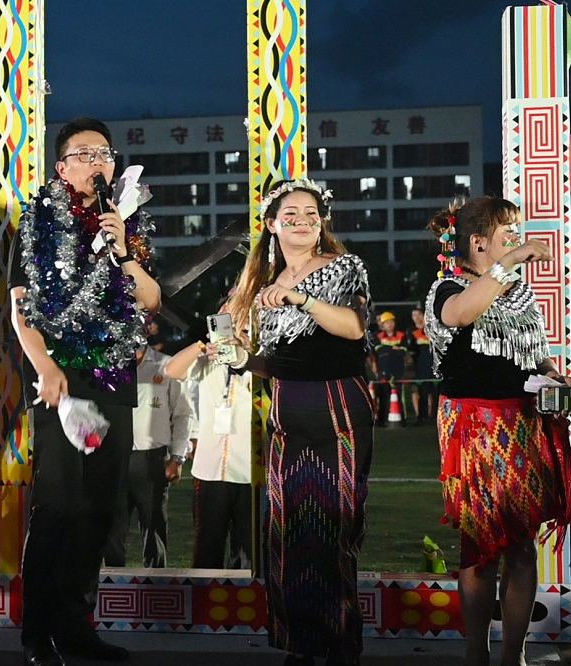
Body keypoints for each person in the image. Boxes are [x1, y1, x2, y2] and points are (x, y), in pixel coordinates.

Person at [9, 116, 160, 666]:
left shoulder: (128, 222)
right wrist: (45, 366)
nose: (97, 162)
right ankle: (37, 630)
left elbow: (151, 298)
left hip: (113, 378)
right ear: (61, 167)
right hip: (62, 381)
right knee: (57, 505)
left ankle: (76, 627)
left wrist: (122, 248)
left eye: (104, 154)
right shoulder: (37, 222)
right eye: (85, 154)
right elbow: (20, 305)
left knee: (100, 509)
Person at [424, 196, 571, 666]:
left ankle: (514, 653)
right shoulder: (446, 288)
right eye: (507, 232)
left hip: (523, 426)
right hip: (473, 428)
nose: (516, 239)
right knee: (479, 547)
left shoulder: (519, 291)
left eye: (515, 232)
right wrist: (511, 261)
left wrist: (551, 376)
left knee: (520, 546)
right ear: (478, 242)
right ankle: (477, 651)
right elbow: (460, 314)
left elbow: (533, 351)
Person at [233, 179, 373, 666]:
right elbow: (277, 362)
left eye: (311, 214)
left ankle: (340, 646)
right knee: (287, 530)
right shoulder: (264, 283)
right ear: (272, 224)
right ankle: (299, 643)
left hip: (338, 407)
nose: (302, 221)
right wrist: (240, 359)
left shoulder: (344, 267)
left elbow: (353, 327)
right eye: (290, 214)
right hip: (287, 410)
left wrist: (301, 299)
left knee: (336, 528)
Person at [166, 322, 254, 570]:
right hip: (210, 470)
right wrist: (202, 346)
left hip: (251, 472)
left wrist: (246, 354)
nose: (237, 336)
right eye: (233, 329)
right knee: (207, 545)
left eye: (245, 331)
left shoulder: (261, 365)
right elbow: (172, 370)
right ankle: (204, 594)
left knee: (252, 549)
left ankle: (255, 594)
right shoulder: (208, 362)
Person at [104, 343, 194, 568]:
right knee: (111, 528)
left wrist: (177, 457)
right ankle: (111, 583)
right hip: (114, 457)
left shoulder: (167, 365)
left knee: (154, 526)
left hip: (152, 459)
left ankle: (156, 582)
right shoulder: (107, 364)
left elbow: (183, 414)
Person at [371, 311, 410, 426]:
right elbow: (379, 350)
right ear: (382, 325)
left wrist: (387, 350)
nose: (390, 324)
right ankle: (381, 420)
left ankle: (402, 419)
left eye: (391, 322)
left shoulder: (402, 335)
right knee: (382, 395)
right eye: (387, 322)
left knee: (400, 394)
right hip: (383, 368)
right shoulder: (377, 336)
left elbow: (403, 351)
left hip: (398, 369)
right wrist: (394, 349)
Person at [405, 306, 437, 425]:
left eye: (419, 314)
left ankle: (433, 416)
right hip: (419, 366)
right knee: (421, 391)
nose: (416, 317)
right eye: (414, 315)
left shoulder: (433, 330)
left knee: (434, 391)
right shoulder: (411, 332)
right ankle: (421, 417)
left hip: (433, 365)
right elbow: (410, 350)